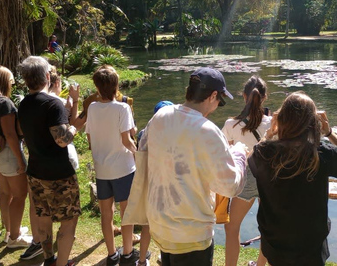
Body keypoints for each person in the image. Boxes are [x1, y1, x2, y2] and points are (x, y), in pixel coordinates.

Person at [135, 67, 247, 266]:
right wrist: (238, 155)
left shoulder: (160, 116)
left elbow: (143, 155)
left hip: (160, 224)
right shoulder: (209, 131)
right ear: (213, 96)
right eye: (219, 102)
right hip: (191, 235)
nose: (216, 108)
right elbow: (230, 187)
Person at [249, 91, 337, 266]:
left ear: (282, 119)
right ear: (314, 123)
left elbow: (251, 156)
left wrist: (269, 134)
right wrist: (329, 133)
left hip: (276, 242)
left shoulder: (265, 152)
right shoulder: (322, 154)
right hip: (310, 245)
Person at [18, 56, 81, 266]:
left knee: (43, 219)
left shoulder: (24, 103)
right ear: (47, 76)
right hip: (59, 175)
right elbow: (62, 140)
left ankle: (49, 260)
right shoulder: (53, 104)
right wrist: (76, 125)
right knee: (68, 221)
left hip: (36, 172)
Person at [85, 66, 140, 266]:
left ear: (97, 87)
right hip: (123, 168)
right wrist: (138, 154)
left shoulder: (92, 107)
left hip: (102, 170)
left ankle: (111, 254)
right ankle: (127, 253)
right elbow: (127, 139)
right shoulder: (122, 107)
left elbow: (90, 138)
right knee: (127, 212)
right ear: (116, 86)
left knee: (106, 214)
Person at [221, 76, 270, 266]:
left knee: (232, 228)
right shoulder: (274, 124)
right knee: (267, 228)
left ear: (243, 96)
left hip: (245, 177)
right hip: (269, 179)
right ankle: (260, 265)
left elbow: (223, 153)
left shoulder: (230, 125)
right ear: (264, 98)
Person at [0, 67, 31, 248]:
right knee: (20, 195)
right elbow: (10, 135)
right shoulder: (4, 103)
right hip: (7, 153)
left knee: (5, 192)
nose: (13, 82)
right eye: (11, 79)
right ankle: (14, 238)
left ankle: (9, 230)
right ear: (4, 81)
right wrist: (20, 160)